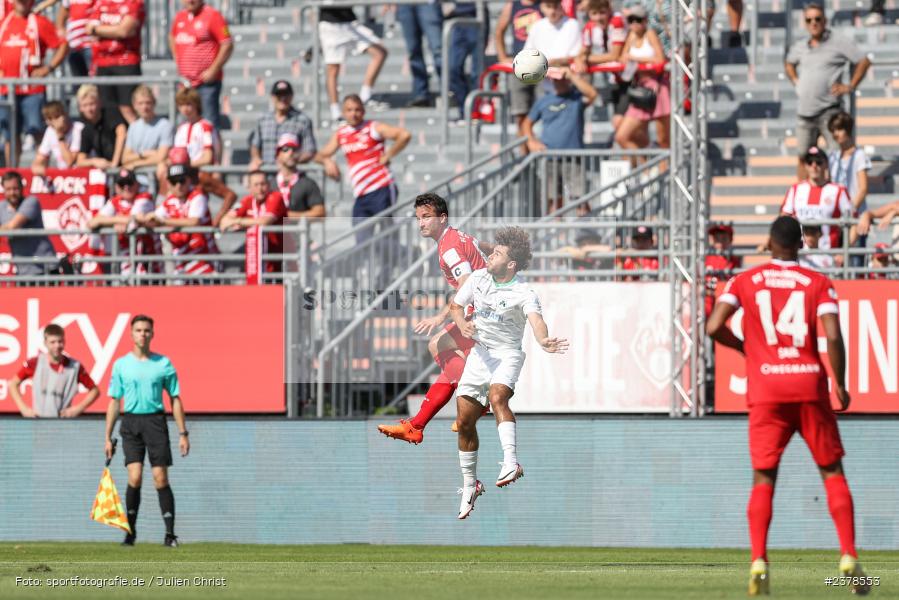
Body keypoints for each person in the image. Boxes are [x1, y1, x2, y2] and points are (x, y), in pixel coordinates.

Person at [707, 215, 870, 596]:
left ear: (769, 242)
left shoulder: (745, 280)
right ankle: (847, 556)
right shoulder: (818, 282)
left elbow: (713, 325)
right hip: (809, 383)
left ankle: (759, 561)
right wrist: (840, 383)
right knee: (832, 472)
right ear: (801, 243)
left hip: (766, 387)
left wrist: (746, 348)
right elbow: (833, 334)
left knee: (764, 477)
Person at [451, 226, 568, 519]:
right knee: (464, 422)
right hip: (479, 355)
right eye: (493, 251)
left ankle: (511, 462)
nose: (491, 255)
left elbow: (536, 320)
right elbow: (455, 306)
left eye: (498, 253)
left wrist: (543, 340)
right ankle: (470, 484)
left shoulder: (523, 291)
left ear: (511, 264)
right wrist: (462, 324)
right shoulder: (478, 278)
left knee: (498, 396)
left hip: (507, 354)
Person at [377, 193, 490, 444]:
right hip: (486, 306)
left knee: (437, 343)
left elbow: (466, 282)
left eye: (426, 217)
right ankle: (416, 425)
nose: (421, 223)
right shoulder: (457, 237)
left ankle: (477, 400)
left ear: (442, 217)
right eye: (418, 218)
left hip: (481, 309)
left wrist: (441, 317)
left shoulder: (448, 245)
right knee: (452, 361)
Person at [104, 314, 189, 547]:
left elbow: (175, 398)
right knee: (135, 476)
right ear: (131, 334)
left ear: (152, 334)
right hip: (131, 423)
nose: (142, 334)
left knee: (160, 478)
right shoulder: (121, 365)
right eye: (138, 330)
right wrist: (107, 437)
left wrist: (183, 433)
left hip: (155, 423)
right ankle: (130, 533)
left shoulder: (163, 364)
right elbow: (114, 402)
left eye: (146, 330)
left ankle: (170, 534)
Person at [785, 3, 870, 180]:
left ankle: (834, 196)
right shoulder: (801, 46)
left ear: (825, 20)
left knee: (835, 156)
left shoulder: (838, 42)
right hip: (805, 112)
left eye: (817, 19)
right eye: (809, 20)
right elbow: (789, 63)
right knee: (803, 157)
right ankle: (802, 199)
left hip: (829, 111)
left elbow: (863, 61)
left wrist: (850, 86)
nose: (813, 23)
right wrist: (795, 80)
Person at [315, 94, 411, 242]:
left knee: (388, 235)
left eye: (357, 110)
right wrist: (327, 162)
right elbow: (319, 155)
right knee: (361, 238)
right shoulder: (342, 134)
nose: (353, 114)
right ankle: (369, 265)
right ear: (343, 112)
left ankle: (396, 262)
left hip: (381, 187)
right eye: (349, 110)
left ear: (363, 111)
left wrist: (388, 155)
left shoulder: (372, 127)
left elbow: (404, 135)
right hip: (360, 193)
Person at [522, 66, 598, 213]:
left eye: (562, 79)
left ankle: (585, 234)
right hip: (550, 157)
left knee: (580, 200)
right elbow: (526, 123)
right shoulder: (544, 101)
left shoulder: (577, 97)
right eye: (556, 79)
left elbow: (593, 94)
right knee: (554, 202)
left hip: (574, 158)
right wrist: (531, 141)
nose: (559, 82)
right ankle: (557, 235)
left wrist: (571, 75)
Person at [0, 0, 67, 165]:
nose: (23, 3)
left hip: (32, 90)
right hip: (7, 89)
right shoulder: (4, 23)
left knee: (38, 133)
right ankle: (12, 173)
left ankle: (40, 173)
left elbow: (63, 45)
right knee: (10, 134)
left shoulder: (39, 22)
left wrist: (48, 68)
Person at [137, 164, 218, 278]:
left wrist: (163, 222)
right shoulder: (170, 201)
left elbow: (194, 222)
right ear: (168, 184)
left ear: (189, 180)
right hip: (181, 262)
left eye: (182, 181)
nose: (178, 185)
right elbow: (155, 219)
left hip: (204, 259)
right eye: (174, 181)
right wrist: (141, 218)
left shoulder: (198, 196)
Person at [8, 323, 99, 418]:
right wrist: (24, 409)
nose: (57, 345)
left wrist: (77, 409)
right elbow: (13, 384)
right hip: (38, 423)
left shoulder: (75, 366)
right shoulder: (35, 363)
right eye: (53, 342)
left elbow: (95, 390)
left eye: (60, 341)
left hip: (63, 424)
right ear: (45, 343)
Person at [614, 5, 670, 156]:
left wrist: (635, 59)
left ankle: (664, 174)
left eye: (638, 20)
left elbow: (659, 59)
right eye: (631, 20)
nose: (634, 24)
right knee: (622, 136)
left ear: (645, 21)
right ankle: (646, 169)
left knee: (664, 140)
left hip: (657, 87)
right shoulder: (631, 36)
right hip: (639, 88)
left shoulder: (650, 34)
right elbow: (622, 57)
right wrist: (631, 60)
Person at [170, 0, 233, 129]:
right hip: (185, 83)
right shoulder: (180, 17)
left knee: (208, 125)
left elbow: (227, 44)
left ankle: (212, 149)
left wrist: (214, 69)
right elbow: (171, 36)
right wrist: (177, 58)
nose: (190, 1)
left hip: (206, 84)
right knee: (186, 126)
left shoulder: (213, 15)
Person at [318, 7, 387, 122]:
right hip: (330, 24)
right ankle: (335, 111)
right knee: (333, 69)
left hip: (350, 22)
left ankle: (365, 96)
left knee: (380, 53)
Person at [779, 147, 853, 251]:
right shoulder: (795, 189)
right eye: (810, 162)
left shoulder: (838, 191)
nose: (814, 166)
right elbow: (783, 221)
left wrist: (843, 253)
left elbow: (854, 223)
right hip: (799, 255)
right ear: (805, 166)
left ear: (826, 164)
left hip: (828, 257)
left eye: (818, 162)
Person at [88, 169, 158, 274]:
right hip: (124, 261)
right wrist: (116, 221)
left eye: (130, 183)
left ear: (137, 184)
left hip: (147, 259)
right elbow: (92, 222)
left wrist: (111, 221)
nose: (126, 187)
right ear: (116, 187)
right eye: (122, 184)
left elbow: (134, 218)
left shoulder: (145, 198)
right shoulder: (115, 201)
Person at [85, 0, 144, 124]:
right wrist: (114, 30)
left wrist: (98, 30)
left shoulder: (134, 3)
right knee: (107, 110)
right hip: (102, 63)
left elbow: (124, 31)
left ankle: (135, 141)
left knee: (127, 108)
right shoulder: (100, 3)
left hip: (127, 62)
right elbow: (89, 29)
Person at [494, 0, 541, 149]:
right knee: (520, 113)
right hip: (520, 64)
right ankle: (524, 156)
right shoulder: (512, 6)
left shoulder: (544, 4)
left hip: (542, 63)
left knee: (542, 111)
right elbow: (499, 31)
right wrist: (502, 57)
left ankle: (539, 154)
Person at [219, 170, 287, 273]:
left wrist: (239, 221)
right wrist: (235, 221)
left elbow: (265, 221)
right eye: (256, 185)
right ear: (249, 187)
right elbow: (225, 220)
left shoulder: (275, 197)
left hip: (280, 257)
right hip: (256, 258)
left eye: (263, 184)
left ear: (268, 185)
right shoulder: (247, 201)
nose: (260, 188)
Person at [826, 112, 870, 268]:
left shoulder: (860, 155)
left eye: (839, 129)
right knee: (836, 264)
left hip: (855, 218)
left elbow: (863, 188)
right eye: (833, 130)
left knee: (854, 264)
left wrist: (850, 209)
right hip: (838, 220)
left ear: (847, 130)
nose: (835, 134)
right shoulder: (833, 157)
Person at [575, 0, 626, 129]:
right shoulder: (589, 27)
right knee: (615, 121)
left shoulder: (617, 22)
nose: (598, 18)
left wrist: (587, 59)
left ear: (609, 10)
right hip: (609, 79)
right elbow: (583, 50)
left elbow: (615, 55)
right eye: (594, 14)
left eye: (602, 13)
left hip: (625, 79)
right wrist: (579, 59)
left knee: (621, 122)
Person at [248, 80, 316, 170]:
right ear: (272, 97)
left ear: (291, 96)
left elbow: (310, 150)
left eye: (286, 95)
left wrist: (292, 160)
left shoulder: (303, 120)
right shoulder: (263, 120)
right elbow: (255, 145)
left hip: (291, 174)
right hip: (268, 174)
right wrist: (256, 158)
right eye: (279, 95)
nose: (283, 98)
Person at [0, 171, 56, 276]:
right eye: (8, 189)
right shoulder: (1, 206)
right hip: (22, 270)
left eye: (15, 188)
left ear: (22, 187)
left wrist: (4, 228)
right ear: (3, 189)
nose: (12, 192)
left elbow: (12, 227)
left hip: (44, 268)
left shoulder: (31, 201)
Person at [167, 146, 236, 226]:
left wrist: (217, 219)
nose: (178, 184)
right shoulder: (167, 179)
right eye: (174, 181)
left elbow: (230, 195)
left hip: (197, 230)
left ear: (189, 163)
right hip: (176, 229)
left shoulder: (200, 177)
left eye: (182, 167)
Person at [122, 85, 173, 187]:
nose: (144, 107)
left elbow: (161, 157)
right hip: (134, 183)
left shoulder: (165, 125)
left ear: (154, 103)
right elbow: (125, 158)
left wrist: (136, 164)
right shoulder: (133, 126)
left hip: (156, 183)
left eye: (148, 103)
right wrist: (144, 154)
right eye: (140, 103)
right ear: (134, 105)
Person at [395, 1, 443, 107]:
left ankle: (447, 91)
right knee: (413, 51)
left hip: (428, 3)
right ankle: (420, 94)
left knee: (438, 49)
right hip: (405, 5)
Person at [446, 2, 486, 121]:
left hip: (476, 15)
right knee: (452, 68)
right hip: (456, 19)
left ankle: (475, 111)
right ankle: (465, 110)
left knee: (477, 73)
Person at [274, 133, 325, 220]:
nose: (291, 153)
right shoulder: (268, 184)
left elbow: (320, 212)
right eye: (285, 149)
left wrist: (288, 216)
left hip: (300, 232)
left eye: (295, 149)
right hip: (274, 233)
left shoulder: (308, 183)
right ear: (278, 155)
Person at [75, 83, 126, 169]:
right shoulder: (87, 129)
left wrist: (115, 163)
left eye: (91, 104)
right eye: (85, 105)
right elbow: (80, 161)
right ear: (80, 108)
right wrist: (95, 161)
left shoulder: (110, 113)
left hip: (124, 163)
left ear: (99, 103)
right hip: (108, 167)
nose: (89, 109)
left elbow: (122, 132)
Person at [524, 0, 581, 69]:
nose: (552, 11)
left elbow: (578, 55)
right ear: (542, 7)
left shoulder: (573, 24)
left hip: (567, 74)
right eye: (549, 7)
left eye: (555, 7)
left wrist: (557, 62)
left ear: (561, 6)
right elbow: (527, 54)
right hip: (541, 76)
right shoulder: (536, 26)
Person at [31, 100, 83, 174]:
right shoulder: (50, 131)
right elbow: (40, 158)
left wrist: (60, 135)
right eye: (49, 118)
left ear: (65, 114)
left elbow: (70, 162)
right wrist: (37, 166)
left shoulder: (78, 129)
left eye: (57, 117)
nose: (54, 122)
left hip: (79, 175)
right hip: (63, 176)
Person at [172, 87, 219, 168]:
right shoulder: (181, 128)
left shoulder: (206, 126)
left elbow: (208, 158)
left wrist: (187, 166)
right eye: (181, 105)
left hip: (202, 172)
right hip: (185, 172)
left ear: (196, 104)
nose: (185, 109)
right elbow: (177, 154)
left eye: (188, 104)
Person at [704, 223, 741, 316]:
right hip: (706, 302)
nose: (720, 243)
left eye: (723, 239)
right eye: (717, 239)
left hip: (723, 303)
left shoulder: (734, 260)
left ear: (730, 239)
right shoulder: (705, 258)